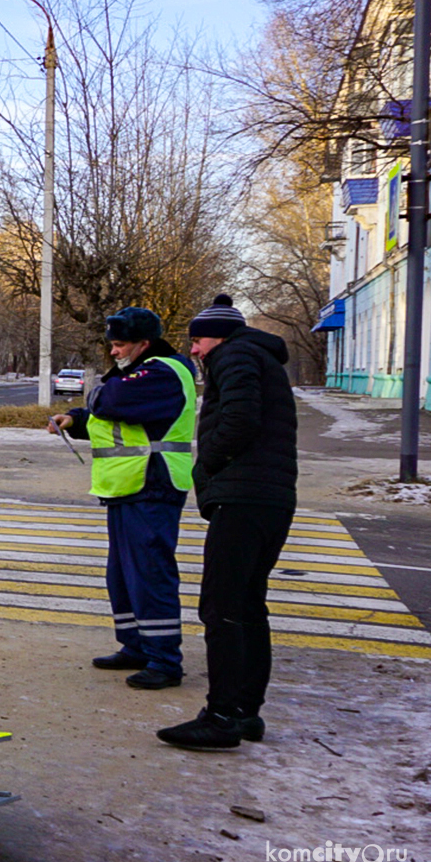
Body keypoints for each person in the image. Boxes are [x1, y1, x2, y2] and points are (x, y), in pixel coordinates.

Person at [158, 295, 299, 749]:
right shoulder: (257, 355)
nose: (195, 350)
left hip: (244, 498)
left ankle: (220, 717)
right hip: (269, 499)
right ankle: (244, 712)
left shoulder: (234, 353)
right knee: (247, 606)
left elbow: (240, 420)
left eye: (197, 340)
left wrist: (208, 467)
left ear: (217, 336)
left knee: (221, 608)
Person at [48, 306, 196, 691]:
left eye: (119, 345)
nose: (113, 352)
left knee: (149, 575)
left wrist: (95, 393)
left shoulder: (163, 371)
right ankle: (135, 645)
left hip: (153, 483)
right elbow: (112, 415)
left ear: (142, 344)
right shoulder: (139, 372)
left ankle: (164, 660)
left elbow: (112, 400)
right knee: (123, 576)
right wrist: (76, 419)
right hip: (129, 487)